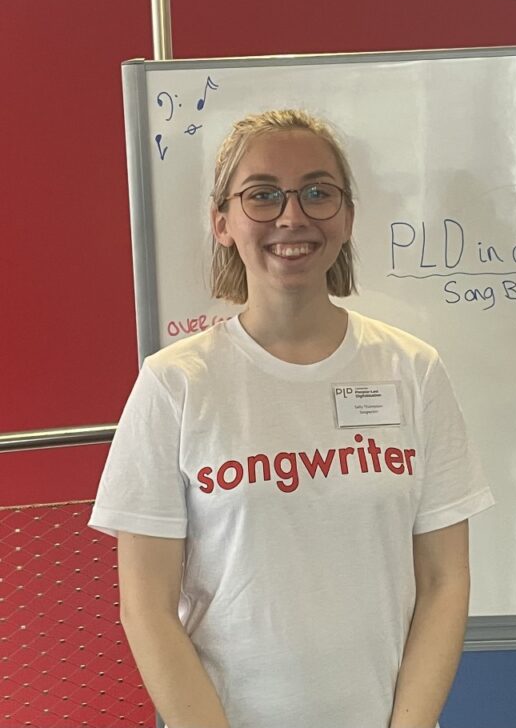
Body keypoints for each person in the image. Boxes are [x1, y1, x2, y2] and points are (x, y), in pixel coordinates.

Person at [88, 108, 495, 728]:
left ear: (348, 215)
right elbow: (145, 606)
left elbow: (445, 579)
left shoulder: (413, 370)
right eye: (262, 195)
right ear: (222, 221)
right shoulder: (175, 385)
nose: (292, 215)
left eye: (317, 192)